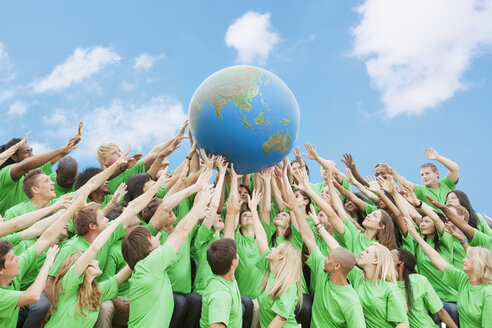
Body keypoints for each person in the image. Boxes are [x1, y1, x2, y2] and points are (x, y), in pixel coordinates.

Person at [44, 174, 158, 327]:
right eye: (102, 218)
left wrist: (157, 186)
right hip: (68, 302)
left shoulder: (106, 238)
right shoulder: (72, 248)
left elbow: (131, 210)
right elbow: (50, 283)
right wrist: (61, 308)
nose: (107, 219)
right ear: (92, 226)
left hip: (88, 295)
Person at [121, 167, 212, 327]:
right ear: (146, 246)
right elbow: (181, 230)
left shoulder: (145, 267)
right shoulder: (150, 264)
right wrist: (199, 200)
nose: (156, 236)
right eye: (151, 237)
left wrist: (195, 188)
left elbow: (165, 207)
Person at [291, 195, 366, 327]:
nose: (325, 258)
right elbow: (309, 239)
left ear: (337, 266)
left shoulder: (351, 301)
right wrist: (297, 212)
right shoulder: (323, 270)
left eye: (329, 258)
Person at [405, 217, 492, 327]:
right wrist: (416, 236)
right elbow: (437, 259)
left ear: (479, 264)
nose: (463, 259)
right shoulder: (463, 279)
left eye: (468, 258)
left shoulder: (489, 293)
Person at [0, 123, 81, 216]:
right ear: (14, 157)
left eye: (32, 151)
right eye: (26, 152)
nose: (32, 155)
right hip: (8, 226)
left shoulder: (33, 173)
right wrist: (60, 150)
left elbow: (54, 157)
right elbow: (26, 165)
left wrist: (73, 142)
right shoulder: (5, 173)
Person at [391, 248, 458, 328]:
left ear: (400, 264)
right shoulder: (386, 284)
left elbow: (440, 311)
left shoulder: (419, 280)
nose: (385, 261)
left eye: (389, 258)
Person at [348, 243, 409, 328]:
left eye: (367, 252)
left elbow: (404, 324)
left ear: (376, 260)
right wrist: (322, 230)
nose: (361, 253)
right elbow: (337, 250)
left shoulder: (389, 288)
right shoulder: (357, 277)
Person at [386, 147, 459, 209]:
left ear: (436, 173)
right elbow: (405, 183)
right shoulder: (420, 190)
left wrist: (438, 158)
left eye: (427, 173)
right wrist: (392, 173)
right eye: (422, 175)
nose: (424, 177)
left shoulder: (446, 184)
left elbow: (454, 169)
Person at [200, 238, 242, 328]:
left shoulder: (223, 275)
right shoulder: (221, 295)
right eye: (236, 254)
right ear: (233, 262)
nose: (238, 255)